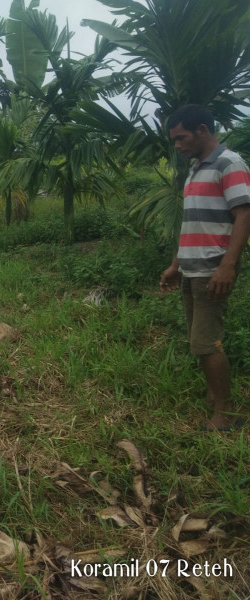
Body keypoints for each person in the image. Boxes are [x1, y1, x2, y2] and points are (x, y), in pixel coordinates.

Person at [160, 104, 250, 431]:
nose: (177, 145)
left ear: (202, 130)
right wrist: (176, 264)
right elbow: (192, 223)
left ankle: (225, 412)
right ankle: (215, 395)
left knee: (206, 341)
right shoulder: (197, 168)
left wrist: (228, 266)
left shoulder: (229, 163)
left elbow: (244, 214)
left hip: (212, 269)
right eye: (174, 139)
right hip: (191, 269)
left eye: (181, 137)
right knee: (199, 340)